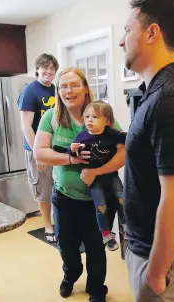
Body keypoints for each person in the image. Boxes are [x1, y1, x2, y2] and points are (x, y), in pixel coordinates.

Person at [119, 0, 174, 302]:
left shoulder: (170, 100)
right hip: (149, 250)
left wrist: (156, 274)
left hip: (165, 263)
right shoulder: (154, 94)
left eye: (127, 30)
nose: (121, 41)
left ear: (152, 33)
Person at [33, 67, 125, 302]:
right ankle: (71, 274)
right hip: (64, 198)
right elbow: (40, 153)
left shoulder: (101, 113)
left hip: (98, 200)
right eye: (63, 86)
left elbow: (122, 152)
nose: (68, 91)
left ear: (85, 88)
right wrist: (70, 159)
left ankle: (97, 289)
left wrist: (96, 171)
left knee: (96, 249)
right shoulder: (51, 118)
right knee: (67, 248)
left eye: (74, 85)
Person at [68, 100, 127, 251]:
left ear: (107, 120)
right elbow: (72, 152)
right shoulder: (82, 136)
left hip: (112, 176)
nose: (89, 120)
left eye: (95, 117)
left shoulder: (112, 134)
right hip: (95, 181)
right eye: (87, 117)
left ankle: (127, 227)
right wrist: (72, 148)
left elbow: (125, 137)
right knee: (100, 206)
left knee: (123, 199)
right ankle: (106, 235)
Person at [18, 53, 58, 242]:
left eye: (52, 68)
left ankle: (59, 223)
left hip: (54, 148)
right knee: (43, 189)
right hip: (36, 149)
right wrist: (38, 153)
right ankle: (48, 226)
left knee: (58, 186)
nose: (48, 72)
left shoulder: (55, 90)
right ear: (37, 69)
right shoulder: (31, 91)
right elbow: (26, 125)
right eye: (45, 68)